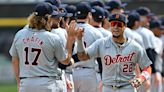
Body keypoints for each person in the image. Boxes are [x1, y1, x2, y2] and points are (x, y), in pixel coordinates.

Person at [69, 13, 152, 92]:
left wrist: (141, 78)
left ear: (125, 26)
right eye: (113, 24)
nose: (116, 27)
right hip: (108, 88)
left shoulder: (135, 46)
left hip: (127, 88)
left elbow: (147, 67)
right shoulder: (101, 43)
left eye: (119, 24)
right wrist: (79, 40)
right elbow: (82, 57)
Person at [9, 2, 75, 92]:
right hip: (47, 83)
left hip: (26, 83)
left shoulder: (20, 34)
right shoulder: (53, 38)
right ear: (47, 18)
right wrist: (70, 39)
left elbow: (14, 60)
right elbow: (65, 61)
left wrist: (19, 82)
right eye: (52, 17)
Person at [72, 2, 103, 92]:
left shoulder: (69, 30)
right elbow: (101, 58)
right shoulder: (96, 32)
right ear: (89, 14)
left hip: (71, 72)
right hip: (88, 73)